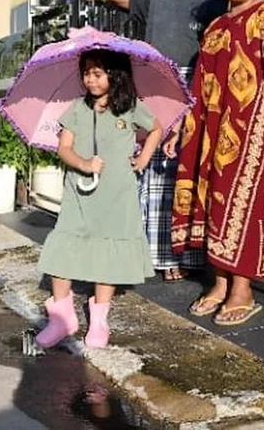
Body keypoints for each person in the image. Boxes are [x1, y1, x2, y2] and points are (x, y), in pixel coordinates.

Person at [70, 0, 228, 282]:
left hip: (199, 86)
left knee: (192, 170)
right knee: (156, 173)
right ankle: (160, 255)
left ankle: (192, 255)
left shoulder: (216, 0)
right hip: (156, 84)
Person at [171, 0, 264, 326]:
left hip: (253, 128)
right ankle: (220, 280)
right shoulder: (215, 27)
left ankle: (242, 288)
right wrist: (181, 124)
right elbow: (200, 83)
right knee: (214, 202)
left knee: (245, 207)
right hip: (212, 130)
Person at [35, 49, 163, 350]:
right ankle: (62, 316)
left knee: (109, 249)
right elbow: (64, 147)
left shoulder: (129, 107)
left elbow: (156, 129)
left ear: (114, 74)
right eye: (86, 73)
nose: (90, 80)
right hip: (80, 191)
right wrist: (83, 163)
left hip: (117, 193)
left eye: (97, 73)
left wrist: (143, 157)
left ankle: (100, 317)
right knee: (63, 248)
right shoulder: (77, 108)